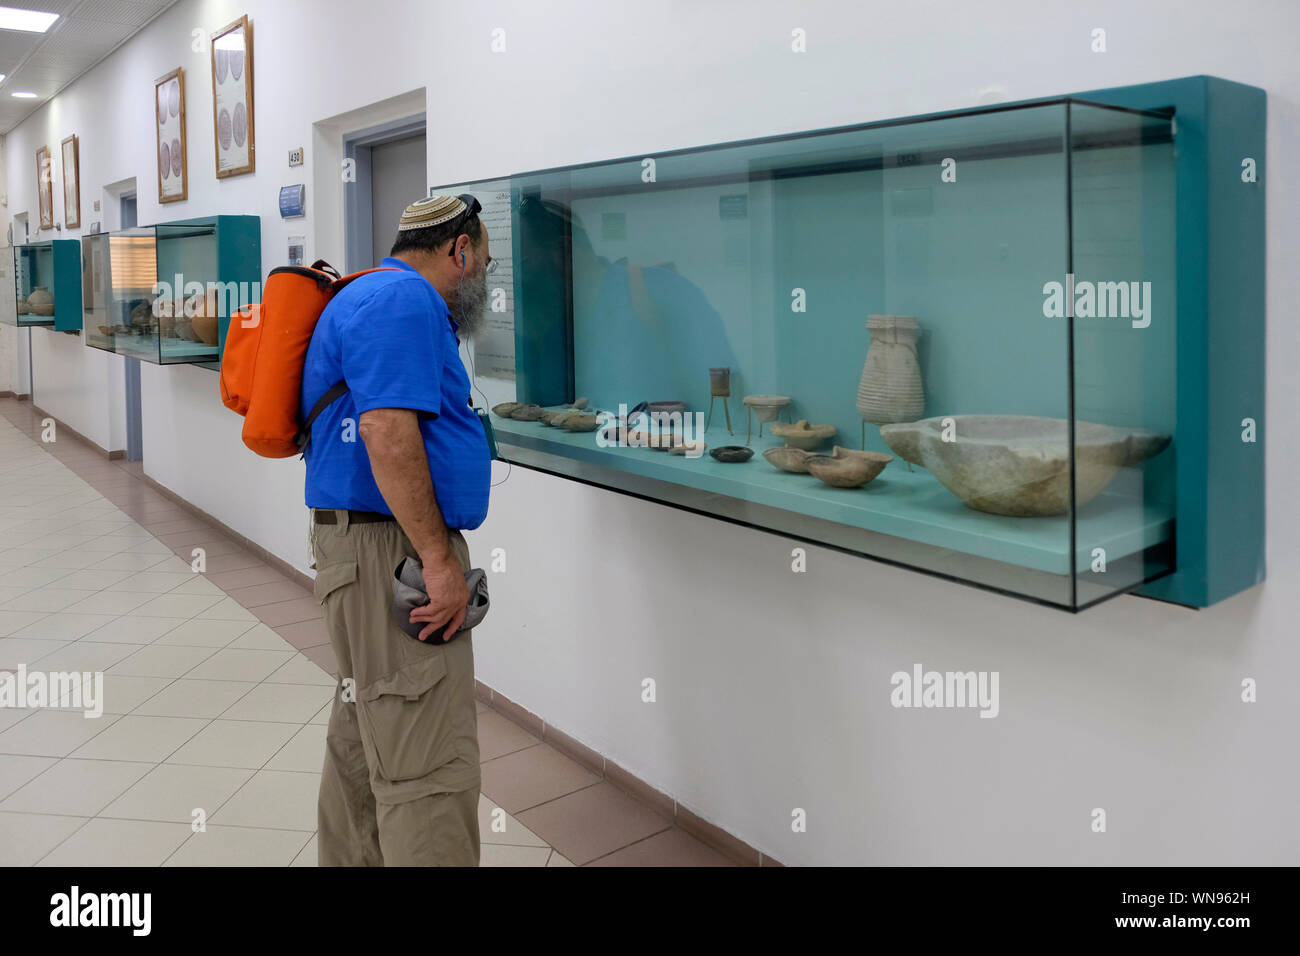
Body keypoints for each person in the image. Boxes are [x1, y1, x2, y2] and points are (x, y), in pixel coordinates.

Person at [301, 194, 494, 866]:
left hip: (366, 545)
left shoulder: (373, 295)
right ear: (459, 251)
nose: (483, 281)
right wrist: (438, 562)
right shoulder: (404, 301)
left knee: (366, 732)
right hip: (392, 550)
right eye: (484, 263)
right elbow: (386, 429)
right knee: (427, 759)